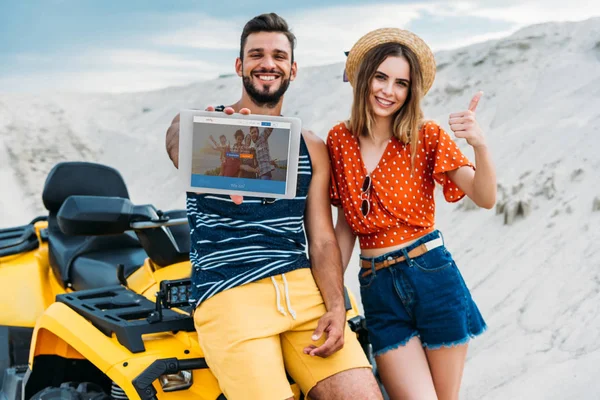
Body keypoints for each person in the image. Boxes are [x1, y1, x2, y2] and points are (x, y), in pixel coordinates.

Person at [165, 13, 381, 400]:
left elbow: (322, 240)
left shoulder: (312, 147)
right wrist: (208, 141)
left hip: (302, 293)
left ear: (292, 69)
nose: (268, 63)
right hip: (229, 295)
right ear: (240, 65)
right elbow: (176, 139)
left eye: (279, 56)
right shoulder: (208, 126)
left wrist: (336, 306)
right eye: (257, 55)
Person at [327, 28, 496, 400]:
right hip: (377, 288)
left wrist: (479, 146)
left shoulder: (427, 134)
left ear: (411, 91)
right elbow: (345, 229)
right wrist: (329, 296)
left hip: (431, 277)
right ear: (364, 78)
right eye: (381, 77)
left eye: (401, 83)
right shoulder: (339, 139)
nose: (388, 90)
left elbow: (485, 197)